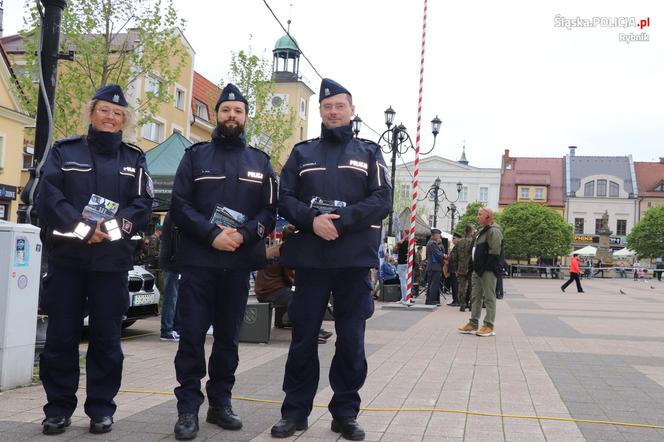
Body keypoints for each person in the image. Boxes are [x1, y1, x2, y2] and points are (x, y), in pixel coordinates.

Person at [271, 78, 391, 440]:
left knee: (352, 340)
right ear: (320, 112)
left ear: (352, 110)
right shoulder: (302, 153)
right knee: (304, 338)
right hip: (311, 260)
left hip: (353, 261)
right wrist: (312, 221)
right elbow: (285, 198)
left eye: (340, 106)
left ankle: (345, 413)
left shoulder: (369, 153)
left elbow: (382, 198)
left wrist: (341, 221)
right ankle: (294, 413)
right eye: (327, 107)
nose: (333, 112)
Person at [37, 84, 153, 435]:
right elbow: (48, 196)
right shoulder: (63, 151)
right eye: (104, 110)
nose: (110, 117)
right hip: (68, 260)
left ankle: (101, 409)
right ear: (92, 113)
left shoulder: (134, 160)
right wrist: (83, 227)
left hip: (111, 263)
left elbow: (143, 205)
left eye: (118, 113)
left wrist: (111, 230)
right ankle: (58, 409)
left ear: (124, 121)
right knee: (61, 338)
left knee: (106, 340)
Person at [169, 83, 277, 440]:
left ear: (246, 117)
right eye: (226, 110)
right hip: (199, 261)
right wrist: (211, 233)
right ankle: (187, 409)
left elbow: (269, 211)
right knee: (192, 338)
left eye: (239, 111)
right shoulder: (194, 156)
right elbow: (180, 205)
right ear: (217, 114)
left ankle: (220, 404)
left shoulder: (260, 162)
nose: (232, 116)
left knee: (229, 339)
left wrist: (244, 235)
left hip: (238, 263)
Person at [254, 226, 333, 344]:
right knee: (303, 299)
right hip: (271, 292)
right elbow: (291, 279)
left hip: (266, 290)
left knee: (301, 296)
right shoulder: (285, 251)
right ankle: (310, 333)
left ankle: (310, 329)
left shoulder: (277, 248)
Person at [458, 208, 503, 337]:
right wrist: (473, 267)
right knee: (475, 297)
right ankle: (473, 323)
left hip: (488, 271)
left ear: (488, 216)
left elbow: (494, 254)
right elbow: (475, 250)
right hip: (478, 270)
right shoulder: (481, 232)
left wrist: (483, 269)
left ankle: (488, 325)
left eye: (480, 214)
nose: (477, 216)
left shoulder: (493, 231)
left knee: (489, 297)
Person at [158, 212, 180, 341]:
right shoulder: (174, 214)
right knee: (171, 297)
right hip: (172, 262)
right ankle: (167, 330)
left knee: (173, 296)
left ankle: (172, 328)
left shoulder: (172, 214)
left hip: (172, 261)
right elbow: (175, 240)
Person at [455, 224, 475, 312]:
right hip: (471, 268)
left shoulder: (459, 242)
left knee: (461, 287)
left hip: (461, 268)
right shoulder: (474, 241)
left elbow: (454, 256)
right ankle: (471, 305)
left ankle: (462, 304)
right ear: (471, 231)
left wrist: (456, 267)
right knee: (472, 287)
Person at [425, 228, 446, 306]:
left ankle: (428, 300)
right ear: (434, 235)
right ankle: (432, 301)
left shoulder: (430, 243)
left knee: (431, 284)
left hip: (432, 267)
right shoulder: (433, 243)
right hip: (435, 266)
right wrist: (444, 256)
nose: (439, 236)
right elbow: (438, 254)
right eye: (438, 235)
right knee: (434, 284)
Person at [446, 232, 462, 307]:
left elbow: (458, 259)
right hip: (452, 270)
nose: (453, 240)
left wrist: (457, 270)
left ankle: (457, 300)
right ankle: (455, 300)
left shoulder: (459, 247)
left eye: (454, 238)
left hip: (455, 270)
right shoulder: (456, 247)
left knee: (456, 286)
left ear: (459, 239)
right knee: (453, 285)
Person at [394, 230, 409, 302]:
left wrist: (404, 238)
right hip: (408, 263)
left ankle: (405, 298)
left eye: (403, 234)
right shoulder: (410, 242)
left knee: (403, 281)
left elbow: (396, 247)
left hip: (402, 263)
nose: (402, 235)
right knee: (406, 281)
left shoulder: (402, 242)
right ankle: (406, 297)